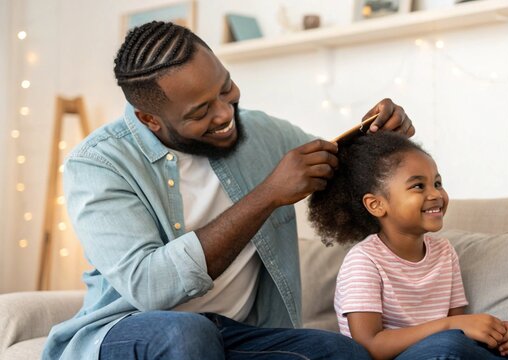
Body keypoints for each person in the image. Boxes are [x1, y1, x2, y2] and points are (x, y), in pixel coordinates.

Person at [42, 21, 415, 360]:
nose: (224, 114)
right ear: (149, 119)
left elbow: (341, 172)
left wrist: (380, 141)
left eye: (226, 88)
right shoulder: (98, 164)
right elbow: (151, 286)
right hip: (133, 330)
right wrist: (268, 194)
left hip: (236, 335)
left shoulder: (262, 132)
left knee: (341, 353)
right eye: (200, 111)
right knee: (186, 334)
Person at [307, 132, 508, 360]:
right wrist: (451, 325)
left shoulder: (444, 252)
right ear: (376, 204)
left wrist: (495, 333)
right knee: (447, 345)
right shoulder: (364, 261)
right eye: (419, 186)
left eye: (437, 183)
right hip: (408, 355)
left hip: (445, 347)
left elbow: (462, 330)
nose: (435, 193)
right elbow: (370, 346)